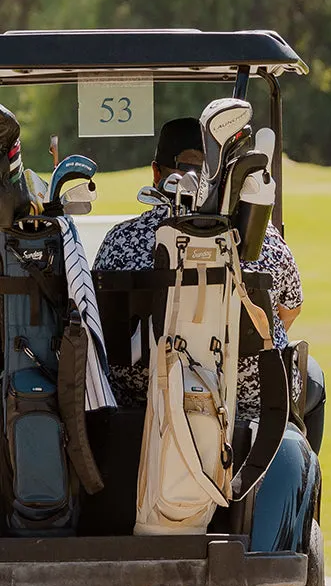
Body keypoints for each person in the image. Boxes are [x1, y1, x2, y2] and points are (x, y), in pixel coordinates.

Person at [93, 117, 305, 420]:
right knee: (310, 376)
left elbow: (104, 323)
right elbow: (288, 312)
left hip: (143, 398)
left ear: (156, 172)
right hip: (247, 401)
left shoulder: (120, 239)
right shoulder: (264, 237)